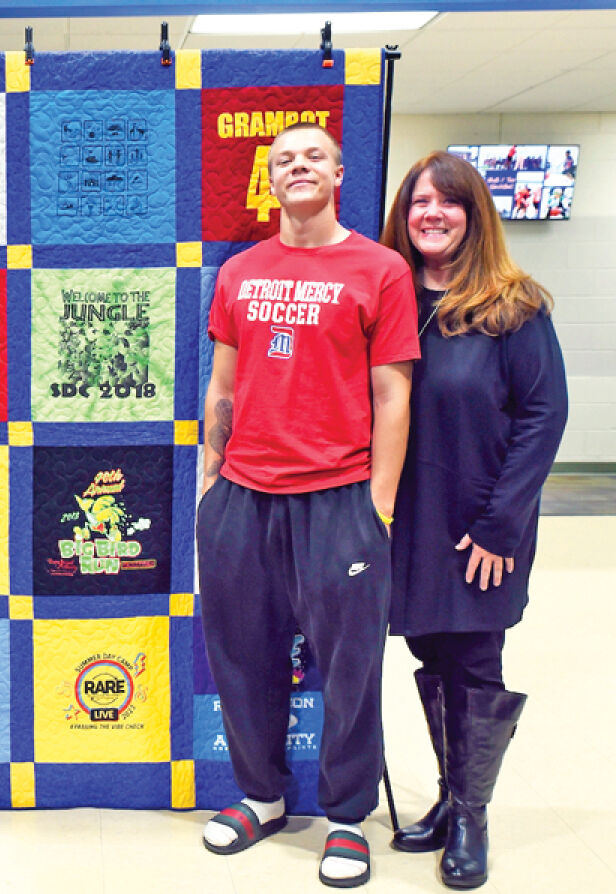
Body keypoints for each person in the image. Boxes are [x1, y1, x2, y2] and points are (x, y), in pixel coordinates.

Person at [196, 123, 419, 888]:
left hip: (338, 501)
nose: (298, 166)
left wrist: (378, 507)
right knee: (241, 658)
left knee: (351, 670)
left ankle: (347, 817)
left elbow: (393, 393)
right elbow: (222, 387)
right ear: (271, 179)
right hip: (243, 498)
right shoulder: (240, 271)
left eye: (312, 156)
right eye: (283, 159)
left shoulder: (380, 269)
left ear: (338, 172)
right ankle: (262, 798)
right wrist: (208, 489)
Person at [381, 151, 568, 889]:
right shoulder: (391, 299)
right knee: (431, 658)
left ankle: (472, 817)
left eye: (447, 201)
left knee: (476, 664)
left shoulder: (513, 304)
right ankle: (449, 794)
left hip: (481, 529)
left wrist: (500, 526)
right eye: (419, 201)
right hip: (410, 528)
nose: (431, 212)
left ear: (474, 214)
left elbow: (544, 416)